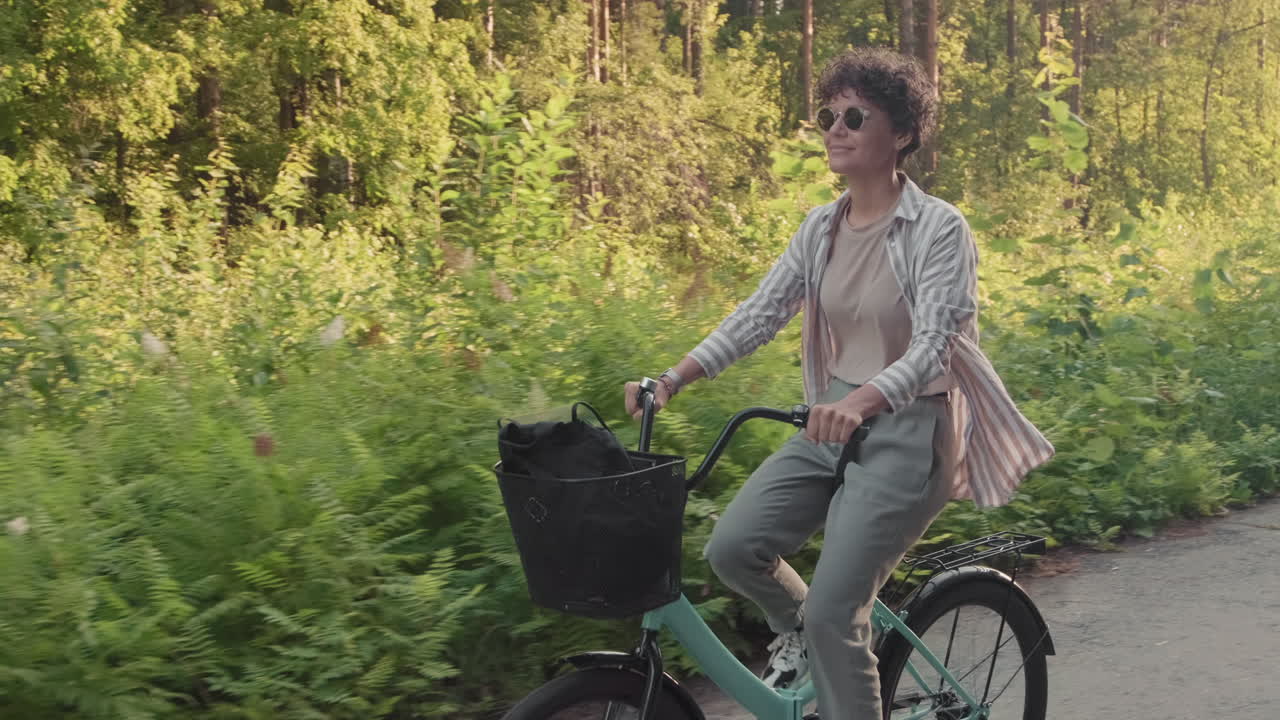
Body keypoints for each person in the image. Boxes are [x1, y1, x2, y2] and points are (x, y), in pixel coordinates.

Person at [623, 47, 1053, 719]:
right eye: (829, 115)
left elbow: (937, 344)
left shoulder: (938, 229)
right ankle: (810, 640)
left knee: (834, 613)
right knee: (733, 549)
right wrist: (675, 377)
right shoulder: (821, 228)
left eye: (856, 116)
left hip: (911, 433)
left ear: (901, 133)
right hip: (830, 419)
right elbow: (760, 314)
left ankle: (830, 645)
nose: (836, 129)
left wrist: (862, 399)